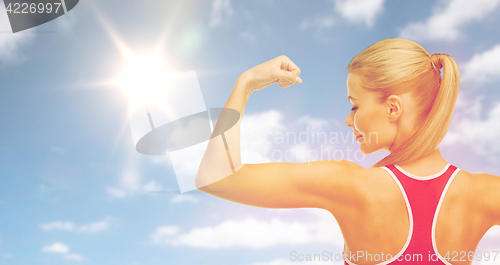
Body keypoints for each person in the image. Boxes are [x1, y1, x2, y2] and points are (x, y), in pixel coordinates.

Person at [194, 38, 500, 265]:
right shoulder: (484, 193)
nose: (348, 119)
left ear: (393, 108)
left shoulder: (351, 184)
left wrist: (245, 83)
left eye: (355, 105)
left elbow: (215, 177)